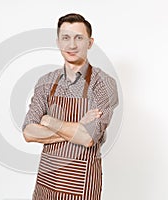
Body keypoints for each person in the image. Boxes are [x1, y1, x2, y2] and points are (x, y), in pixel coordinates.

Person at [22, 13, 119, 200]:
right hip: (45, 184)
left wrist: (48, 121)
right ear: (58, 42)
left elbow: (88, 138)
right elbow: (28, 132)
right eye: (65, 38)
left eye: (79, 38)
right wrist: (78, 126)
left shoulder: (103, 84)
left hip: (81, 186)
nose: (72, 45)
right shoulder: (46, 82)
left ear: (89, 43)